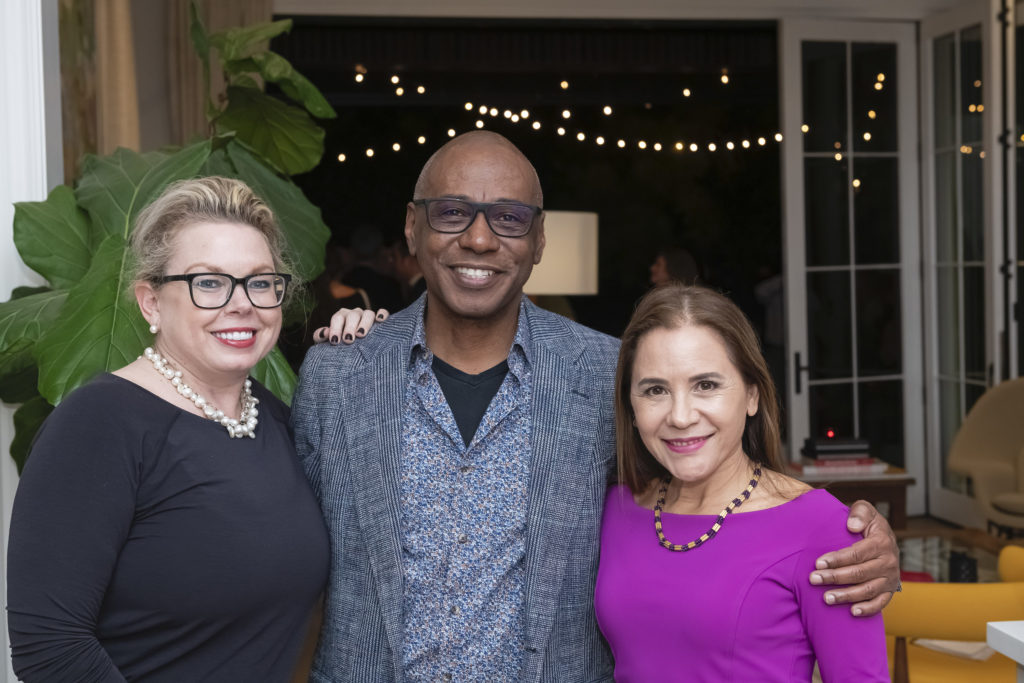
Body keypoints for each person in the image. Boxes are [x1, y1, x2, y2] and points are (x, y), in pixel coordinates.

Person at [294, 131, 900, 682]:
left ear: (538, 240)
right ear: (411, 227)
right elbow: (281, 554)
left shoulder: (609, 374)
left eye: (508, 218)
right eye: (452, 212)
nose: (478, 238)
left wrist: (859, 540)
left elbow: (715, 475)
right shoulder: (338, 376)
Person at [6, 177, 368, 682]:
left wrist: (377, 355)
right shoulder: (98, 425)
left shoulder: (277, 419)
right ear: (151, 302)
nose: (241, 303)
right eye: (209, 283)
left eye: (260, 282)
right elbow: (50, 648)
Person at [595, 284, 888, 681]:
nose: (680, 416)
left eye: (706, 385)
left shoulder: (824, 528)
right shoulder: (614, 506)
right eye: (656, 390)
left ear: (752, 395)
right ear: (631, 406)